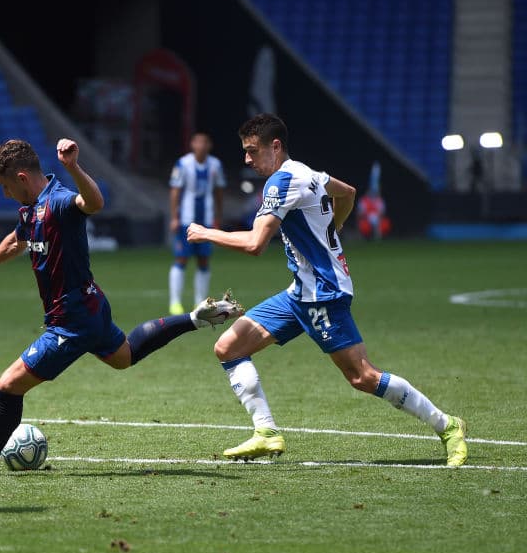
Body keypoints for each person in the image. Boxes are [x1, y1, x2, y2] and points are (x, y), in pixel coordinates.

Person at [0, 139, 242, 478]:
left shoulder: (58, 202)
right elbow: (18, 239)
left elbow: (94, 202)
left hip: (71, 322)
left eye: (6, 186)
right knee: (125, 356)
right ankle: (193, 319)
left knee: (8, 385)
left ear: (23, 178)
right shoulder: (31, 209)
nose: (5, 194)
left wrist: (73, 166)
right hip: (91, 306)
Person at [186, 113, 467, 466]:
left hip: (322, 293)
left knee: (362, 376)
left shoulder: (281, 182)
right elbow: (347, 192)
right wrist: (332, 231)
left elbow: (256, 243)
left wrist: (205, 232)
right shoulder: (308, 172)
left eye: (252, 151)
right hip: (300, 291)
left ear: (275, 147)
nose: (247, 159)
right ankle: (266, 433)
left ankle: (448, 426)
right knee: (228, 347)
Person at [168, 132, 226, 314]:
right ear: (193, 144)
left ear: (209, 145)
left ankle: (200, 302)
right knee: (181, 258)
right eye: (198, 142)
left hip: (207, 220)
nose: (201, 145)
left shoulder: (215, 165)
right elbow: (175, 190)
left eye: (205, 142)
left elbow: (219, 192)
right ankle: (175, 302)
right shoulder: (183, 163)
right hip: (186, 220)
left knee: (204, 260)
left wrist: (218, 215)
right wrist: (174, 217)